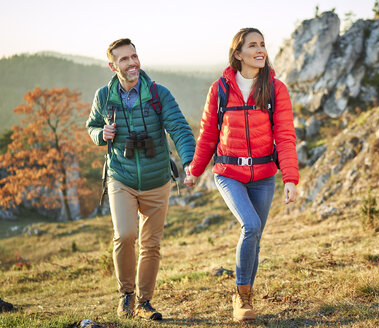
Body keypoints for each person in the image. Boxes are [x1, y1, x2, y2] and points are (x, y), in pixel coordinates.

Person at [184, 28, 299, 322]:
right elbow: (208, 135)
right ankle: (241, 296)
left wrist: (289, 179)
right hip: (229, 172)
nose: (260, 50)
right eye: (253, 45)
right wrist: (195, 171)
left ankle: (247, 294)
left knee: (256, 236)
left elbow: (285, 137)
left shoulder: (276, 89)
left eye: (262, 44)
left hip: (263, 174)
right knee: (250, 225)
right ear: (238, 54)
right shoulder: (220, 89)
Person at [86, 38, 195, 320]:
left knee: (151, 244)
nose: (132, 62)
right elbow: (92, 126)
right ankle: (126, 295)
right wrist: (101, 135)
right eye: (124, 59)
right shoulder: (104, 97)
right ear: (113, 66)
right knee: (124, 235)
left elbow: (180, 129)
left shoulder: (158, 94)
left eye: (134, 56)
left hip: (157, 178)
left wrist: (190, 162)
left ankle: (145, 302)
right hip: (120, 176)